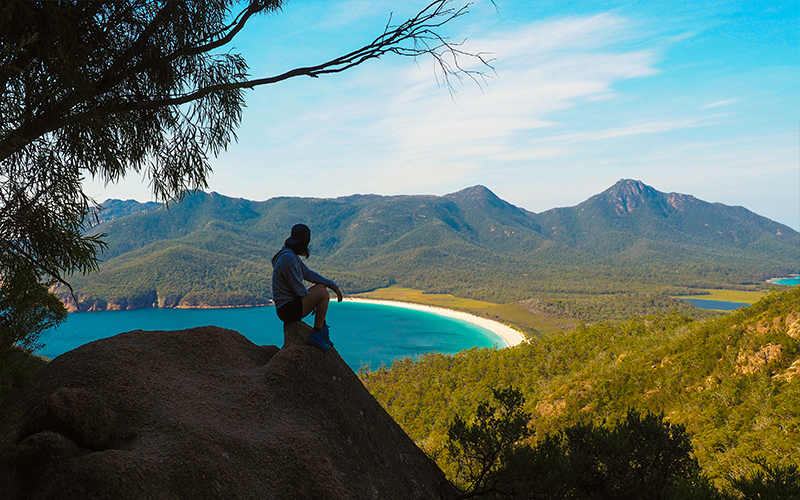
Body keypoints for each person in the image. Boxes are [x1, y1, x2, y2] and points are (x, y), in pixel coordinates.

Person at [271, 223, 343, 351]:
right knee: (323, 294)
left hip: (292, 304)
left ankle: (323, 330)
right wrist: (314, 302)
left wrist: (332, 285)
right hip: (287, 309)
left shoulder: (292, 256)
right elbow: (298, 289)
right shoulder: (288, 258)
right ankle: (316, 334)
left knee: (322, 287)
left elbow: (309, 274)